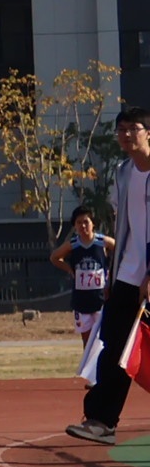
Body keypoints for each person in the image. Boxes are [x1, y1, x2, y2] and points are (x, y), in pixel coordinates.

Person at [70, 109, 150, 445]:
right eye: (121, 130)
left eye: (134, 129)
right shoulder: (122, 172)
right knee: (113, 346)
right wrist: (114, 275)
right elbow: (124, 227)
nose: (127, 135)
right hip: (126, 278)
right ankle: (101, 421)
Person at [49, 207, 110, 385]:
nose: (83, 226)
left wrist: (111, 272)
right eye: (79, 223)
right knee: (87, 339)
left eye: (86, 222)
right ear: (75, 226)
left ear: (93, 224)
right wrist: (70, 269)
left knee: (102, 338)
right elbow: (54, 257)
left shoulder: (102, 242)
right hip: (81, 300)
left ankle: (101, 375)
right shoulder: (74, 244)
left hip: (100, 298)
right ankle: (91, 376)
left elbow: (119, 249)